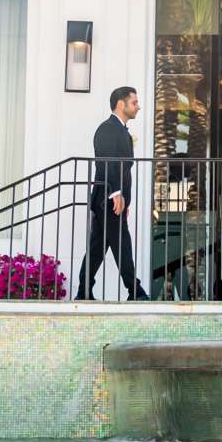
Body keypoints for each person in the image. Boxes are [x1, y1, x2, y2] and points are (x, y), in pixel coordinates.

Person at [80, 86, 149, 300]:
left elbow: (122, 169)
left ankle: (83, 292)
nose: (138, 107)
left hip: (114, 200)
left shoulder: (122, 132)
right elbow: (106, 163)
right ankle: (135, 290)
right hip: (107, 200)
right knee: (122, 244)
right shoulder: (108, 129)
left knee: (97, 247)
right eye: (134, 102)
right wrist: (116, 193)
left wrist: (125, 200)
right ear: (121, 104)